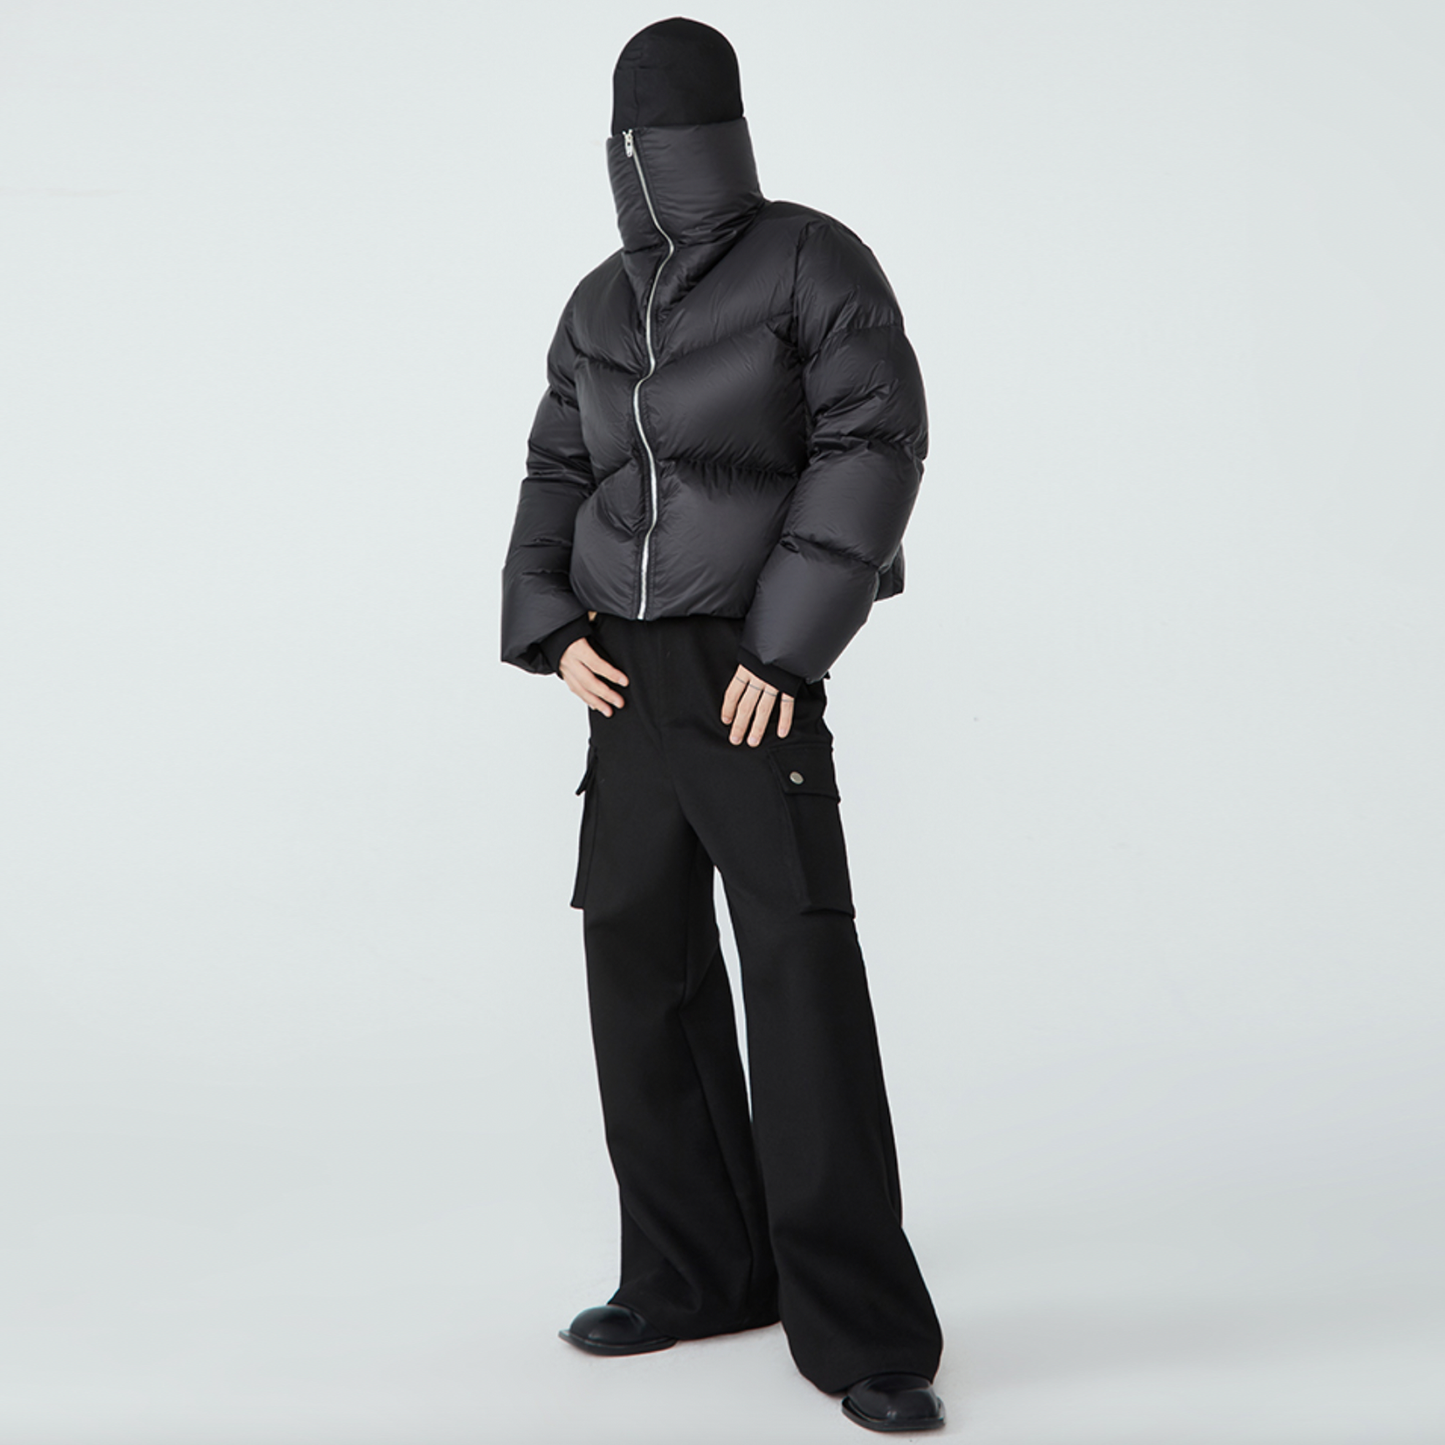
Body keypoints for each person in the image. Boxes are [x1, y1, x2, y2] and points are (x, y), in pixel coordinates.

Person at [500, 16, 945, 1433]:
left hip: (749, 668)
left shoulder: (811, 260)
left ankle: (861, 1331)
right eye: (632, 124)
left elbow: (874, 438)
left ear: (708, 130)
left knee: (798, 971)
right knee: (638, 961)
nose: (645, 143)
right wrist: (549, 625)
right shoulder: (597, 300)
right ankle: (696, 1272)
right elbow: (557, 461)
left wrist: (788, 647)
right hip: (621, 675)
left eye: (665, 120)